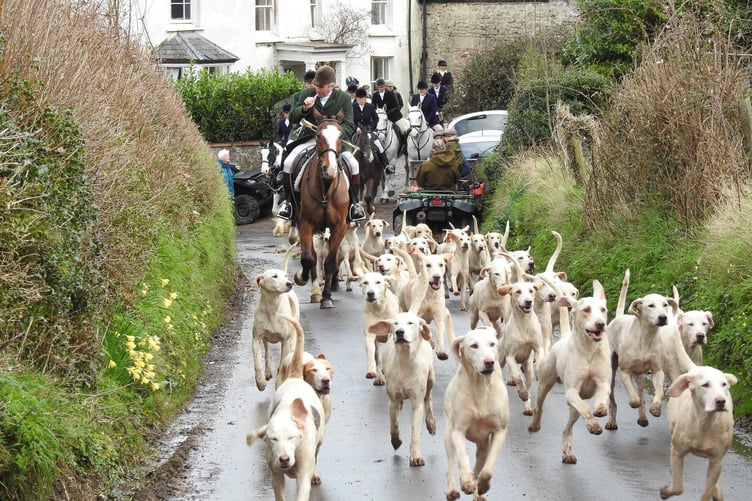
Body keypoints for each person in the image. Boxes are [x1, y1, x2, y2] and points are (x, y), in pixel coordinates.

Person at [277, 65, 366, 222]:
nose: (317, 88)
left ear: (331, 86)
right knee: (288, 163)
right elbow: (292, 118)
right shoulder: (305, 94)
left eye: (321, 86)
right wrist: (304, 108)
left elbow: (349, 124)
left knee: (354, 165)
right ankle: (288, 204)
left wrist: (334, 134)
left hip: (334, 142)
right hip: (309, 138)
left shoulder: (343, 98)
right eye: (316, 85)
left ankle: (354, 205)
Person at [352, 87, 386, 165]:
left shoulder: (370, 106)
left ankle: (385, 164)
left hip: (368, 131)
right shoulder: (352, 107)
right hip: (356, 132)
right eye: (359, 98)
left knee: (379, 145)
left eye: (362, 98)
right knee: (347, 146)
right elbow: (351, 120)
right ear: (356, 98)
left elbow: (376, 118)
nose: (360, 100)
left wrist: (370, 127)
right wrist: (356, 127)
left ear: (365, 98)